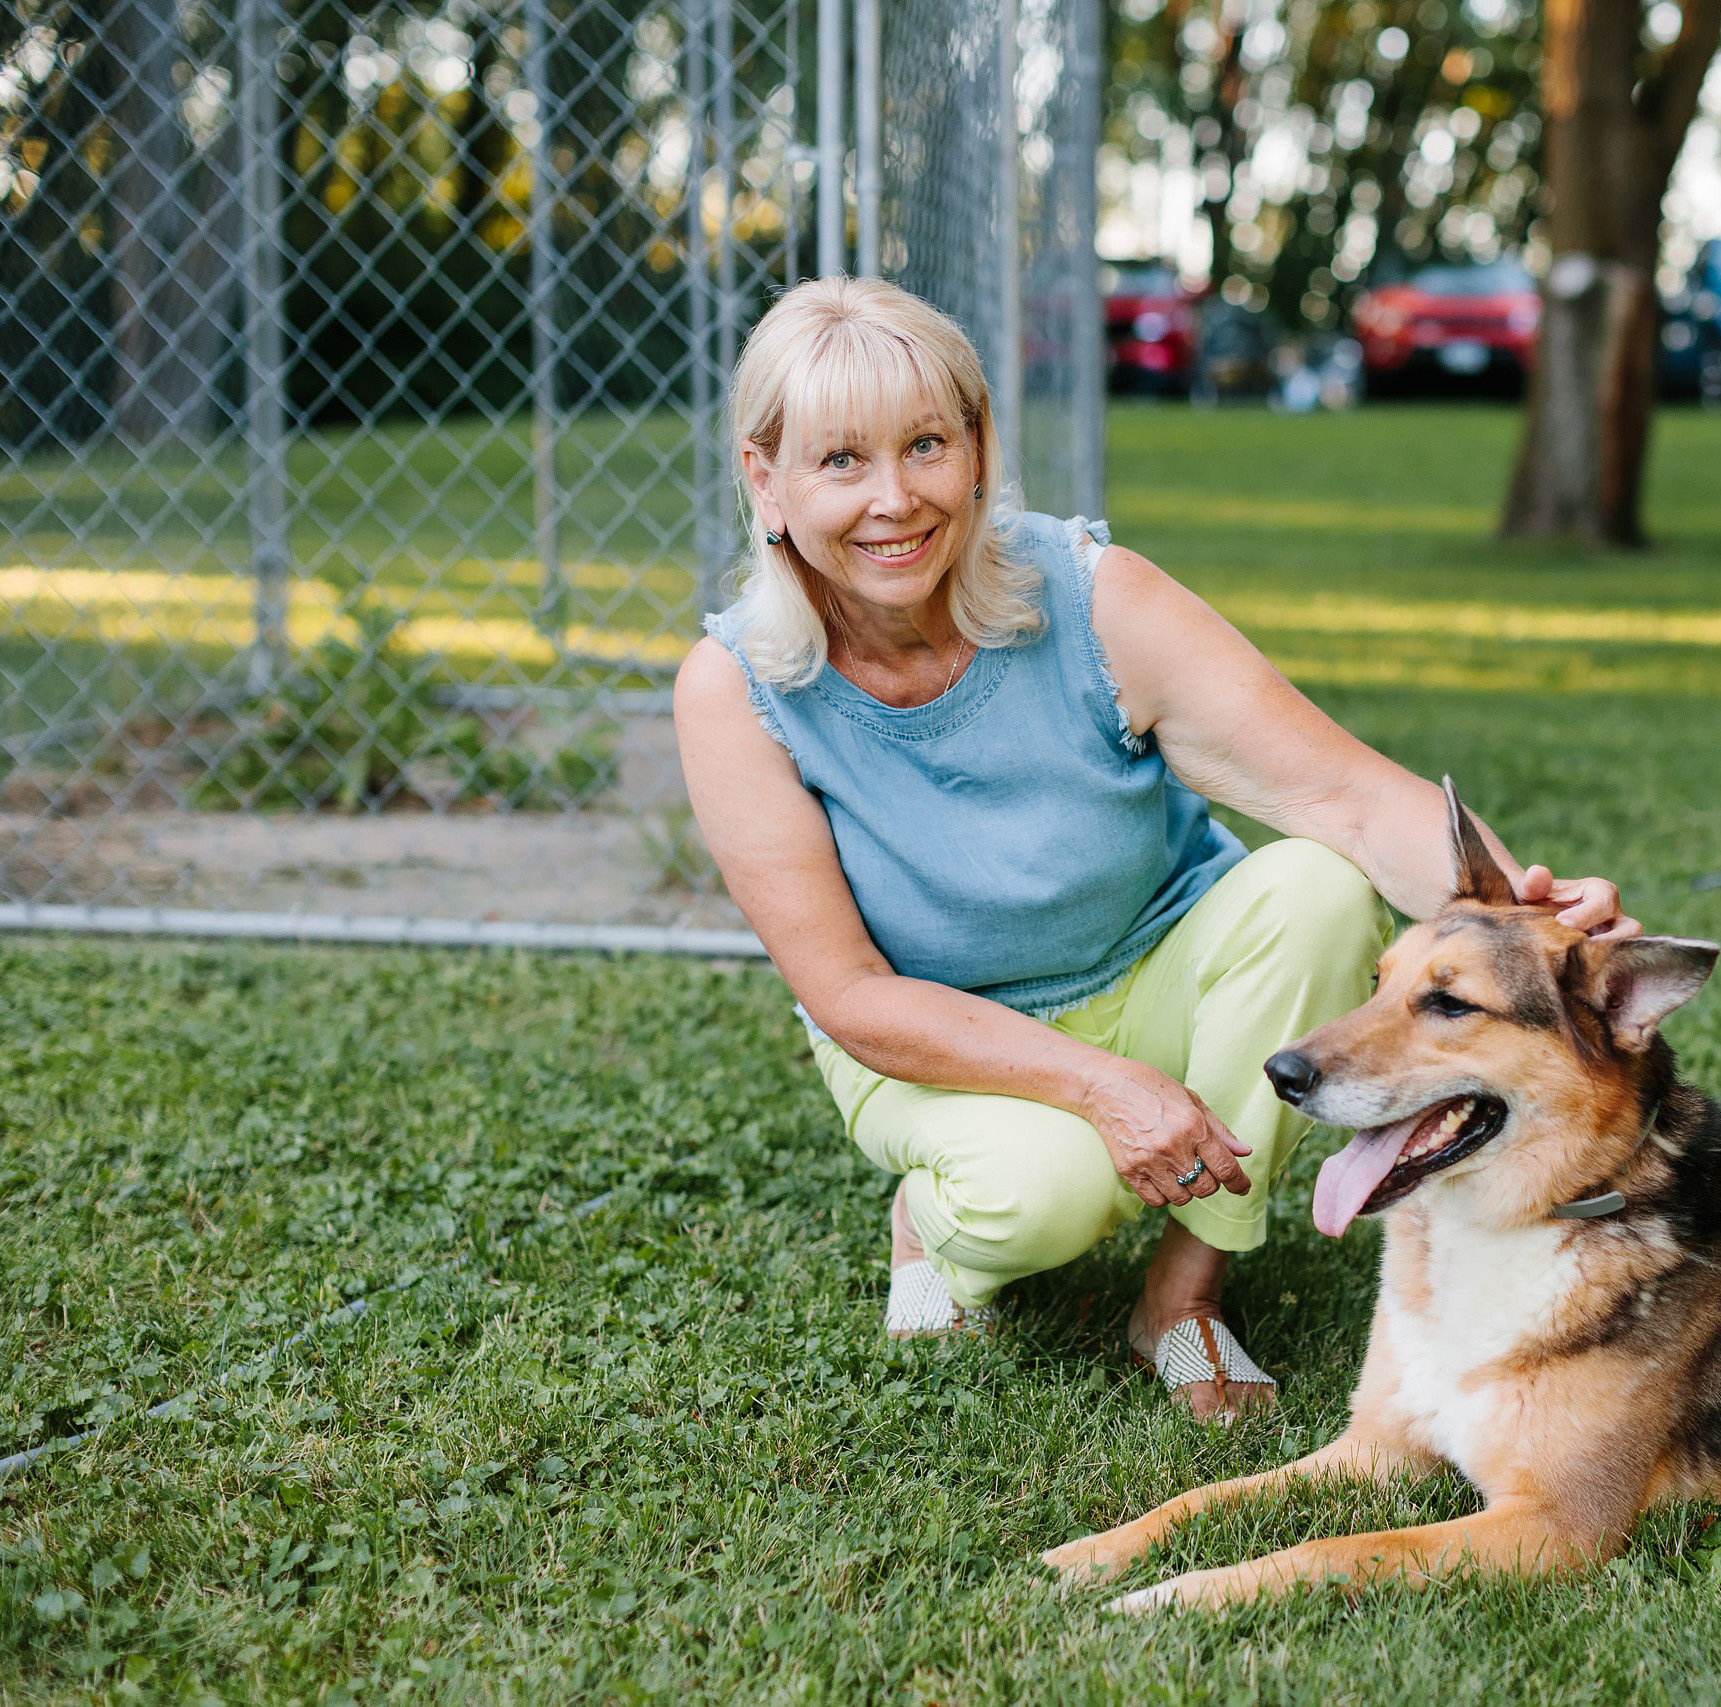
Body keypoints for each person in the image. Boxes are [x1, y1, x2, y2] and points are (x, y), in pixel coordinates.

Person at [674, 277, 1632, 1420]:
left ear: (976, 448)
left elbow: (1345, 797)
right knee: (1037, 1202)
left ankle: (1181, 1296)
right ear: (765, 478)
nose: (894, 500)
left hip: (1157, 957)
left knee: (1317, 890)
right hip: (934, 1024)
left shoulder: (1089, 595)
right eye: (842, 462)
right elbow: (848, 993)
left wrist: (1542, 941)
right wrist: (1104, 1088)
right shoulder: (735, 691)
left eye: (926, 445)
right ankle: (926, 1221)